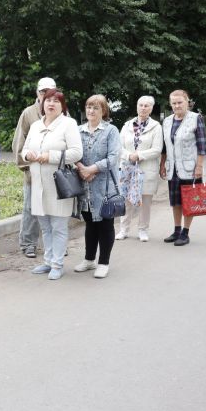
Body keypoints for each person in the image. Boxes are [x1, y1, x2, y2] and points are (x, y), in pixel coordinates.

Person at [21, 89, 82, 280]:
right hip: (38, 184)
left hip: (59, 184)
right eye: (48, 100)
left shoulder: (68, 124)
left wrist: (50, 157)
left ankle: (57, 264)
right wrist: (28, 155)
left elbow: (76, 153)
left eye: (56, 101)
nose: (51, 104)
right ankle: (48, 261)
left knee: (58, 226)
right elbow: (24, 149)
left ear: (62, 105)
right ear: (42, 103)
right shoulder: (36, 125)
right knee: (45, 226)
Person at [74, 95, 121, 279]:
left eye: (95, 108)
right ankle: (88, 259)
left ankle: (103, 262)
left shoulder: (111, 131)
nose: (91, 111)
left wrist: (92, 169)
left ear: (103, 111)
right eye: (88, 107)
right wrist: (82, 169)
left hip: (105, 186)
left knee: (105, 224)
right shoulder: (78, 130)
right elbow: (73, 152)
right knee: (90, 224)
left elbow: (113, 157)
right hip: (84, 185)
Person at [12, 77, 56, 258]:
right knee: (31, 208)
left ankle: (55, 244)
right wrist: (26, 167)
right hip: (33, 171)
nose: (46, 95)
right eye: (43, 91)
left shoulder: (62, 113)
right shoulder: (28, 113)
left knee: (54, 208)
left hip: (55, 171)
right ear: (37, 93)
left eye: (50, 91)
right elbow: (19, 142)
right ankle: (28, 244)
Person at [159, 89, 206, 246]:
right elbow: (165, 147)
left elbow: (202, 145)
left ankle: (185, 233)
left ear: (187, 102)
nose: (176, 105)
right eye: (173, 103)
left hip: (190, 168)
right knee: (175, 201)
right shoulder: (167, 121)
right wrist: (162, 164)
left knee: (189, 201)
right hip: (173, 168)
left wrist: (199, 166)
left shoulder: (196, 119)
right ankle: (176, 230)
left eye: (180, 102)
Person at [116, 96, 163, 242]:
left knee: (145, 201)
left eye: (147, 106)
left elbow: (157, 149)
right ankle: (123, 229)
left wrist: (139, 155)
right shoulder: (127, 125)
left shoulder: (156, 127)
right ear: (137, 107)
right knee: (126, 200)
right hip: (127, 167)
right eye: (141, 105)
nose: (143, 108)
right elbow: (118, 147)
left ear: (151, 108)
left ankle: (143, 230)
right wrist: (129, 155)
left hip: (146, 168)